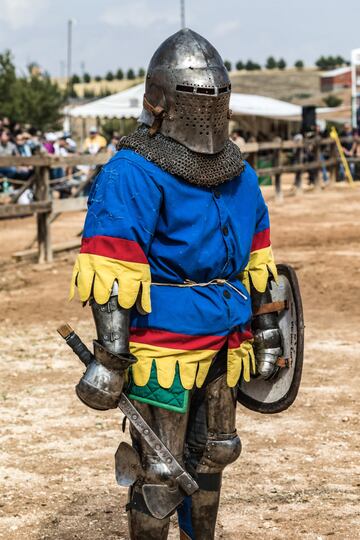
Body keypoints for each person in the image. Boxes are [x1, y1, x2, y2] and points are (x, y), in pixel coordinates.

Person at [69, 29, 283, 540]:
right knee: (161, 468)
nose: (207, 109)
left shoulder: (239, 174)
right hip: (160, 340)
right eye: (195, 96)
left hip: (227, 337)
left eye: (216, 97)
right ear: (160, 101)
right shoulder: (131, 172)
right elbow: (112, 266)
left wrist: (268, 332)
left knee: (216, 453)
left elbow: (258, 260)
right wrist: (111, 358)